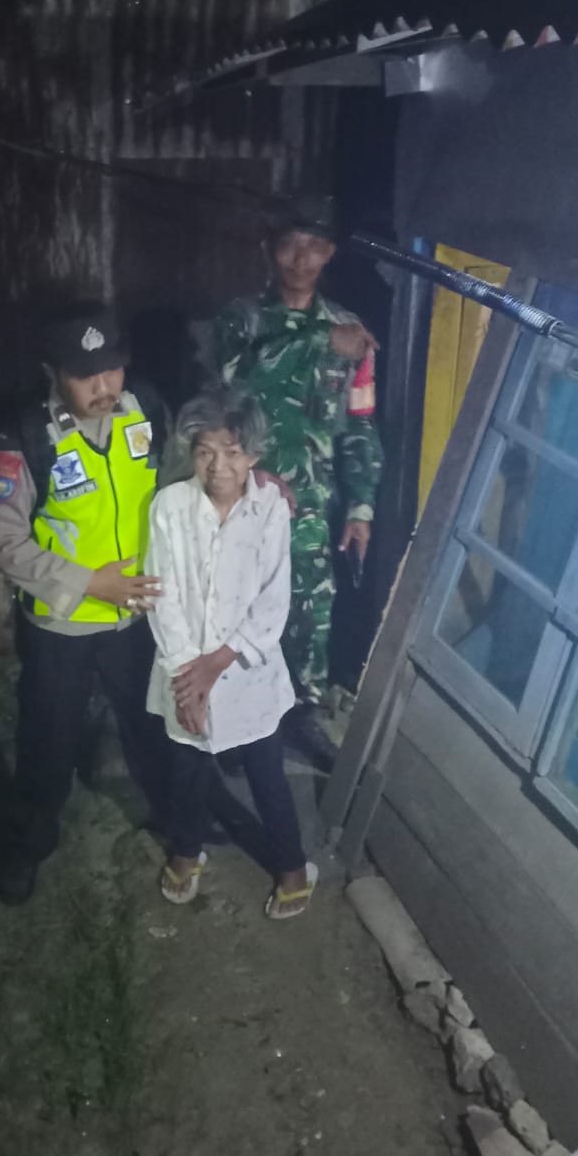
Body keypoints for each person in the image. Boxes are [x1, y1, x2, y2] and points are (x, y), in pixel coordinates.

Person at [0, 305, 167, 906]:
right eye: (86, 375)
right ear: (53, 373)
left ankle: (175, 820)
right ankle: (28, 845)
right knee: (48, 741)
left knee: (151, 724)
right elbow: (4, 540)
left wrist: (253, 479)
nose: (103, 386)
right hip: (60, 623)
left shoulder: (146, 410)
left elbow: (186, 479)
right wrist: (88, 583)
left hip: (137, 615)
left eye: (112, 369)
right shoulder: (25, 435)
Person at [211, 195, 383, 748]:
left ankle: (301, 716)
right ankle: (236, 727)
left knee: (309, 618)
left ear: (330, 253)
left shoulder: (350, 330)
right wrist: (319, 341)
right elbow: (235, 380)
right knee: (237, 609)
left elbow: (360, 423)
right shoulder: (241, 319)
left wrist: (360, 506)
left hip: (310, 506)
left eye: (315, 246)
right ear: (270, 248)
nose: (301, 258)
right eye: (290, 244)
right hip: (241, 498)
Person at [145, 387, 317, 920]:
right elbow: (162, 593)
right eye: (205, 452)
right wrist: (187, 676)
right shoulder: (171, 507)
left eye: (233, 453)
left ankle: (291, 867)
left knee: (267, 772)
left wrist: (214, 666)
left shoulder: (270, 509)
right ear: (191, 451)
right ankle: (185, 851)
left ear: (255, 455)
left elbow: (272, 601)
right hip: (182, 668)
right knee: (188, 770)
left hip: (247, 674)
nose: (218, 467)